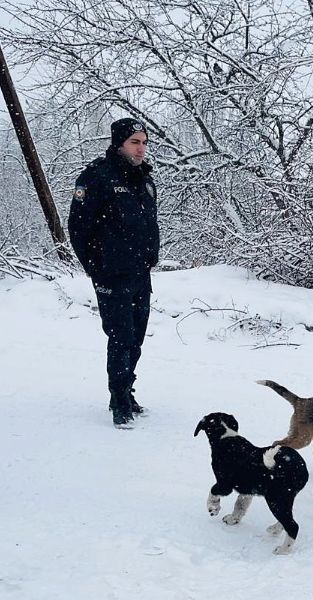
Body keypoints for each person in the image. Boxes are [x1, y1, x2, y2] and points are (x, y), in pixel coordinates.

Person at [68, 118, 160, 429]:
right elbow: (79, 230)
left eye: (144, 143)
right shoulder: (97, 177)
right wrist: (97, 269)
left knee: (135, 337)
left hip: (139, 274)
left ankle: (127, 388)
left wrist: (149, 257)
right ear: (119, 143)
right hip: (111, 275)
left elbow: (148, 227)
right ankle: (118, 399)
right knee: (120, 337)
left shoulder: (145, 181)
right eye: (135, 142)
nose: (141, 149)